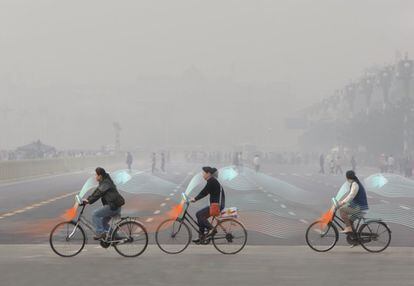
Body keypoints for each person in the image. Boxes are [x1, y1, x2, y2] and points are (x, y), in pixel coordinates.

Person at [82, 167, 125, 240]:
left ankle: (100, 233)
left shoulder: (106, 183)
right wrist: (88, 199)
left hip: (113, 207)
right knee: (103, 223)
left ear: (100, 176)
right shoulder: (104, 182)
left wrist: (89, 201)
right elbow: (96, 192)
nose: (95, 176)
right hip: (114, 206)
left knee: (95, 214)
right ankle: (115, 236)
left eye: (96, 175)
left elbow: (98, 194)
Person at [190, 166, 225, 244]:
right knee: (200, 215)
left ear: (208, 174)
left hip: (217, 206)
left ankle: (212, 229)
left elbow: (204, 192)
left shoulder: (212, 181)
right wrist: (195, 198)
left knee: (199, 214)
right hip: (215, 205)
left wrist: (195, 199)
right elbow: (205, 192)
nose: (202, 175)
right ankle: (201, 236)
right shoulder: (212, 181)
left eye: (203, 173)